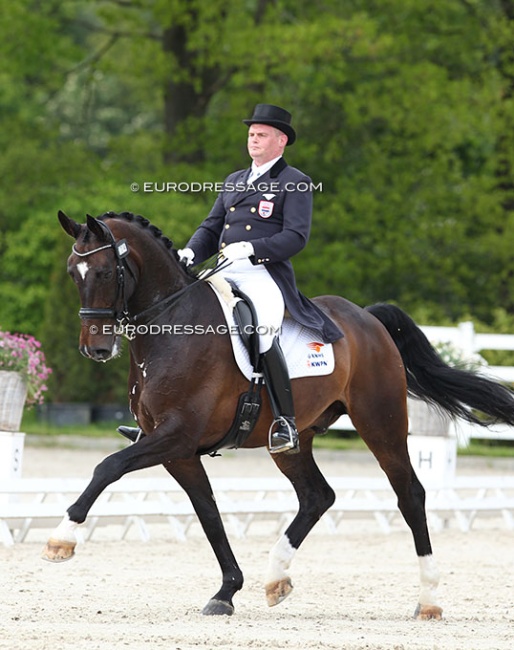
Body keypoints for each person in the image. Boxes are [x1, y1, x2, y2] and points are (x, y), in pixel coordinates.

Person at [177, 104, 343, 454]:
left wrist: (251, 248)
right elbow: (211, 226)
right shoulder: (235, 180)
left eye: (262, 134)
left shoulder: (294, 182)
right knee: (182, 316)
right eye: (251, 133)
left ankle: (284, 422)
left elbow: (296, 237)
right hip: (225, 268)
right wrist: (191, 252)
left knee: (263, 331)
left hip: (263, 273)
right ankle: (167, 413)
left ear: (280, 141)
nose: (253, 139)